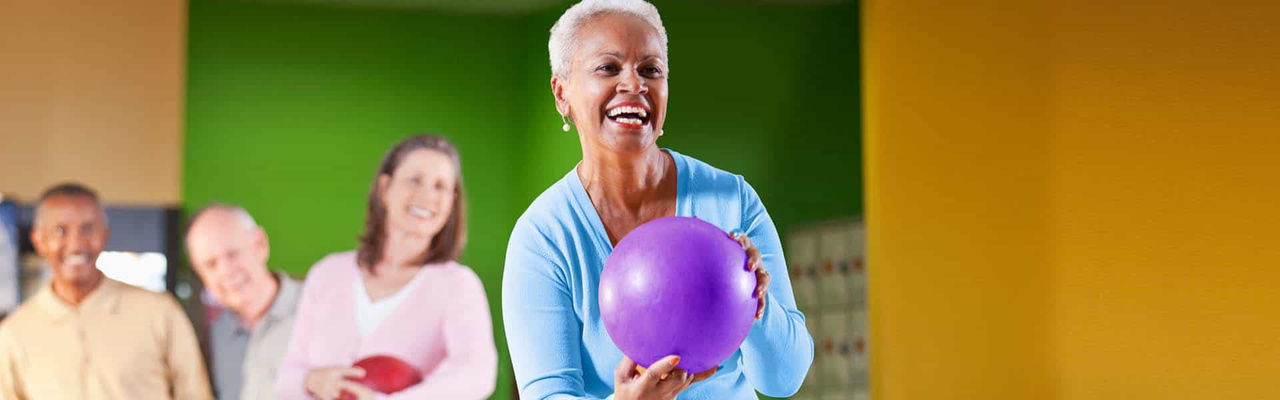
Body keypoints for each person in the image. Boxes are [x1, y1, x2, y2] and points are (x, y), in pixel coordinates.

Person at [502, 1, 815, 398]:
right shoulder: (544, 236)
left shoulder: (732, 201)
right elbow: (547, 393)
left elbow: (784, 380)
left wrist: (755, 300)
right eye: (608, 68)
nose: (634, 85)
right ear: (562, 93)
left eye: (650, 70)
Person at [275, 134, 497, 400]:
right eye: (415, 180)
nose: (427, 195)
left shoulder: (458, 285)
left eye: (441, 187)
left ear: (452, 203)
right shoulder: (327, 274)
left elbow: (477, 374)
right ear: (385, 189)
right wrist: (310, 381)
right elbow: (286, 378)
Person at [0, 183, 213, 399]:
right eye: (60, 231)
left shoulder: (160, 312)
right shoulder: (14, 333)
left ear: (105, 234)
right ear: (39, 240)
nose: (75, 244)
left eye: (88, 229)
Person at [187, 204, 302, 400]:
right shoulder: (213, 337)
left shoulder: (320, 309)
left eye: (233, 254)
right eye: (210, 264)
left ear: (260, 244)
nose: (225, 271)